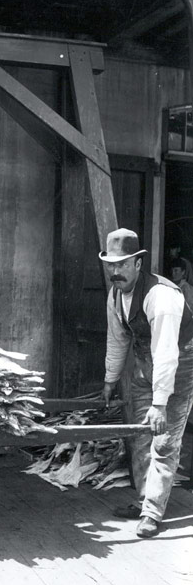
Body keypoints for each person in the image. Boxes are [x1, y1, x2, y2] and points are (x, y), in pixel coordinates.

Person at [99, 228, 193, 538]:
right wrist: (110, 380)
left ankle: (152, 512)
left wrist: (160, 404)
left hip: (178, 365)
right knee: (138, 436)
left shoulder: (162, 296)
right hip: (144, 364)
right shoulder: (115, 295)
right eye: (111, 265)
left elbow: (166, 353)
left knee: (164, 441)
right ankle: (143, 501)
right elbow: (118, 339)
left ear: (138, 264)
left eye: (122, 265)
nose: (116, 271)